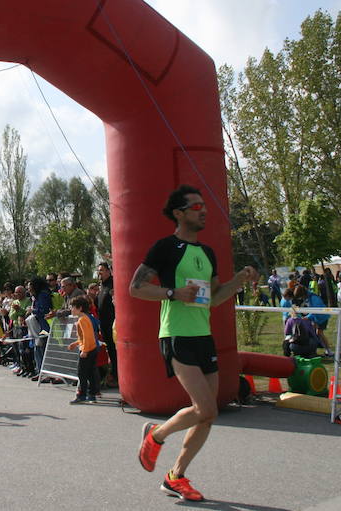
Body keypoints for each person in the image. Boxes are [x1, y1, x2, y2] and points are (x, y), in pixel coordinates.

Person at [130, 185, 257, 502]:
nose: (204, 210)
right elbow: (136, 287)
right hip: (176, 334)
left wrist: (238, 280)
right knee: (206, 407)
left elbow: (213, 298)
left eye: (204, 206)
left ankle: (175, 476)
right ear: (179, 213)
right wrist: (172, 293)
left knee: (208, 415)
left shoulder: (207, 252)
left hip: (203, 336)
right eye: (196, 206)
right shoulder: (165, 247)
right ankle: (157, 435)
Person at [67, 297, 98, 404]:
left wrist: (84, 350)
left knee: (82, 373)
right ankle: (92, 394)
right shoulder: (85, 318)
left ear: (80, 308)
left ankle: (82, 395)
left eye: (73, 307)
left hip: (87, 350)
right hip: (92, 348)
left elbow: (87, 336)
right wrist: (75, 343)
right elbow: (85, 337)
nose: (71, 309)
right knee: (90, 373)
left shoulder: (82, 320)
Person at [96, 262, 119, 388]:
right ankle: (113, 375)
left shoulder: (113, 284)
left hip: (113, 325)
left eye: (102, 270)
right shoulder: (102, 286)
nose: (99, 273)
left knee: (115, 352)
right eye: (98, 270)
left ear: (109, 271)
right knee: (110, 351)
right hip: (104, 325)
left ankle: (117, 377)